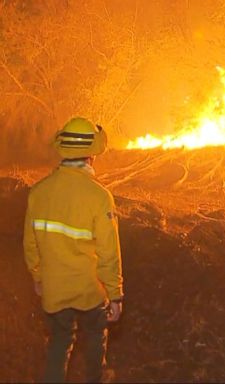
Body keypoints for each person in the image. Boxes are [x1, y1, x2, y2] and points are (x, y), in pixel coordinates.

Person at [23, 117, 123, 383]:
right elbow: (109, 253)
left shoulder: (38, 192)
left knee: (59, 341)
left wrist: (38, 277)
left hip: (54, 288)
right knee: (95, 338)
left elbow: (30, 244)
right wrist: (115, 294)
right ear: (92, 155)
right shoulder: (99, 196)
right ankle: (97, 377)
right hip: (89, 289)